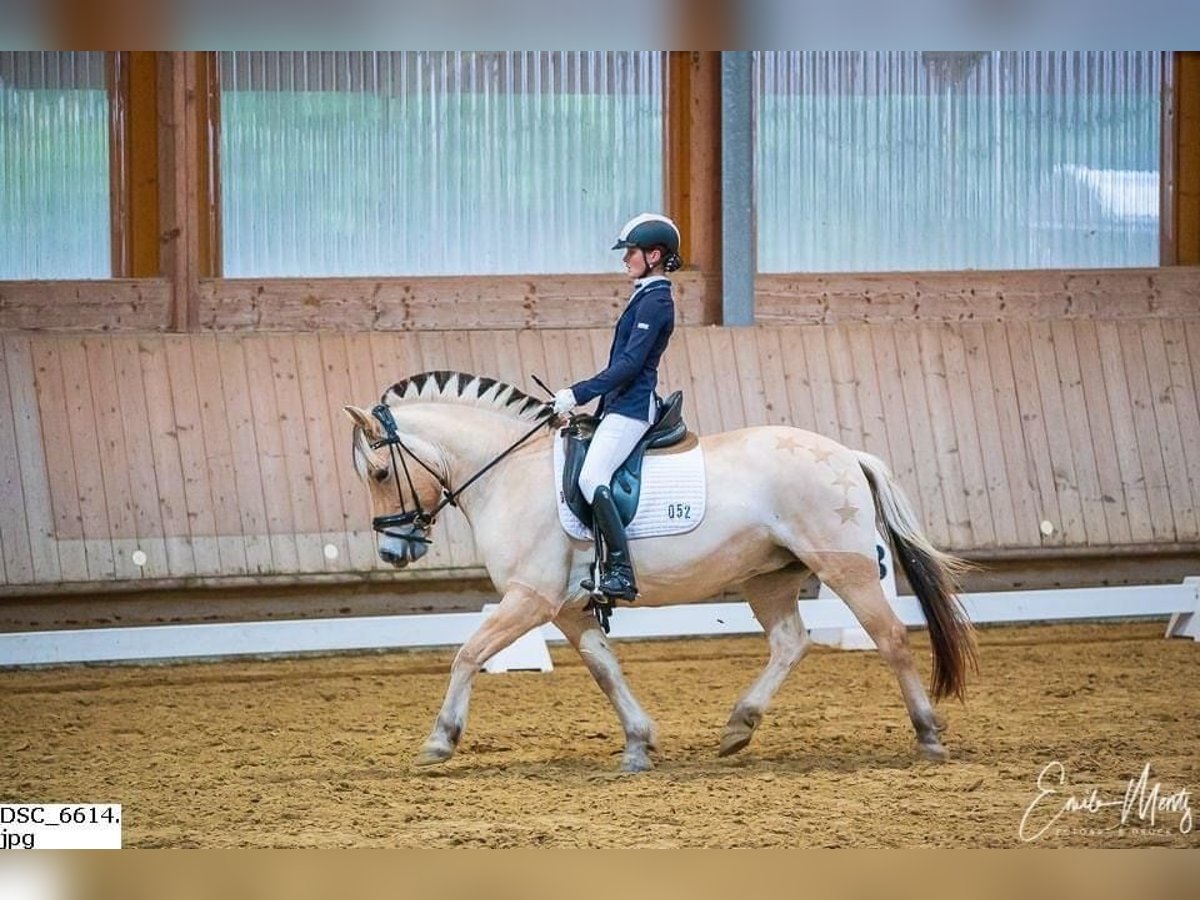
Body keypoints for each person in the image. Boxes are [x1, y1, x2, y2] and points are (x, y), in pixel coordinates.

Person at [553, 213, 682, 601]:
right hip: (618, 405)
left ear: (654, 255)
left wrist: (578, 393)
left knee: (592, 477)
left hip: (631, 407)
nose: (625, 259)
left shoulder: (657, 302)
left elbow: (628, 366)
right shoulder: (643, 296)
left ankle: (622, 572)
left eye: (631, 253)